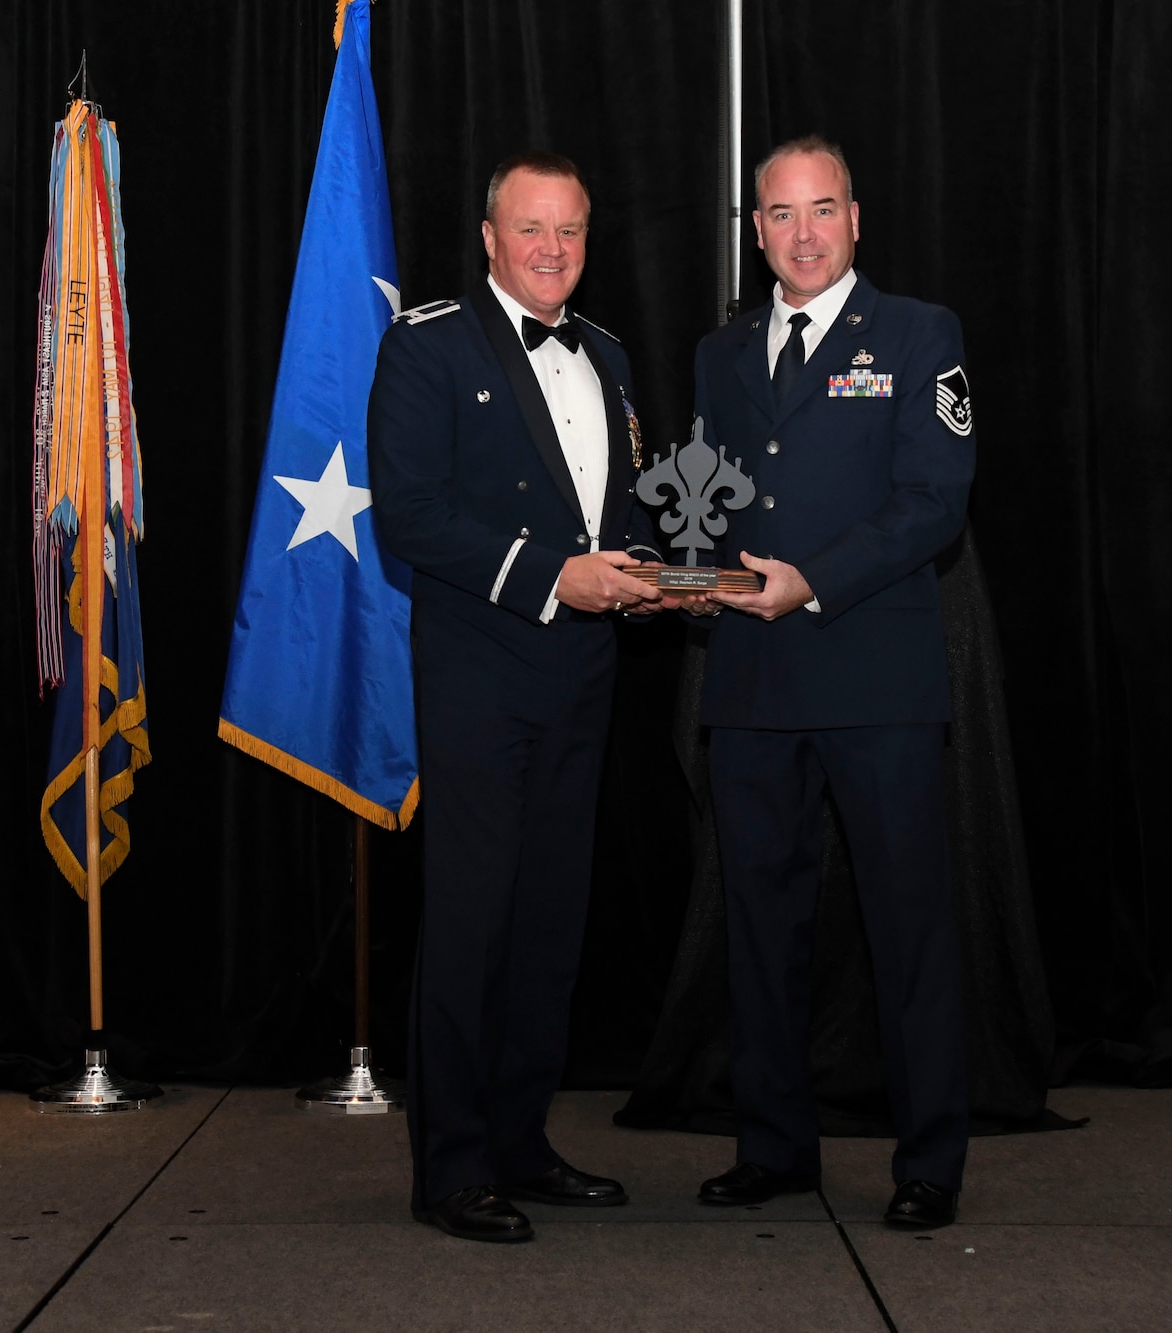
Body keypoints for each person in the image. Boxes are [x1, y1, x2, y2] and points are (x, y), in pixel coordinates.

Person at [368, 151, 672, 1243]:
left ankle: (518, 1140)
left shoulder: (609, 353)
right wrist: (553, 576)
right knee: (470, 920)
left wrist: (642, 576)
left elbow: (617, 509)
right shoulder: (427, 342)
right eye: (530, 229)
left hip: (585, 674)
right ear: (489, 238)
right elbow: (406, 512)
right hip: (479, 674)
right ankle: (449, 1167)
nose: (551, 250)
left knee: (549, 921)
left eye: (571, 230)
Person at [687, 135, 976, 1230]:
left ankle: (929, 1159)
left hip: (874, 679)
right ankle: (772, 1144)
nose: (800, 233)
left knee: (906, 926)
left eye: (820, 210)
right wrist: (673, 569)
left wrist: (814, 579)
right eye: (777, 214)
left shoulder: (918, 334)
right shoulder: (718, 354)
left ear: (855, 218)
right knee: (757, 926)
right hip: (751, 682)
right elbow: (702, 497)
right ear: (753, 230)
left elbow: (934, 498)